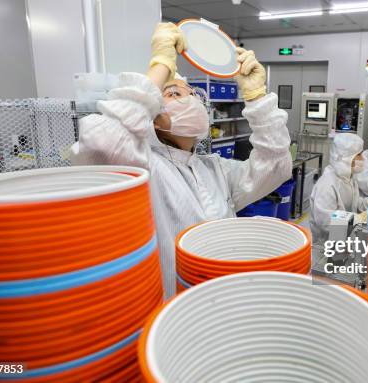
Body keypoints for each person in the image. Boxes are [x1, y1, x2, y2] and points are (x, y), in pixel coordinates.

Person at [70, 22, 292, 298]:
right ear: (151, 112)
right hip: (176, 313)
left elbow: (276, 165)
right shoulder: (144, 167)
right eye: (173, 93)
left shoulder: (214, 169)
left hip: (227, 298)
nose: (189, 100)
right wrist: (161, 65)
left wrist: (257, 98)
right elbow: (100, 144)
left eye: (194, 95)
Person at [309, 133, 368, 246]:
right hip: (325, 247)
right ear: (346, 157)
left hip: (344, 239)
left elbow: (355, 204)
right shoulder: (327, 184)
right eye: (359, 155)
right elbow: (325, 221)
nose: (363, 159)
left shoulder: (349, 178)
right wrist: (358, 218)